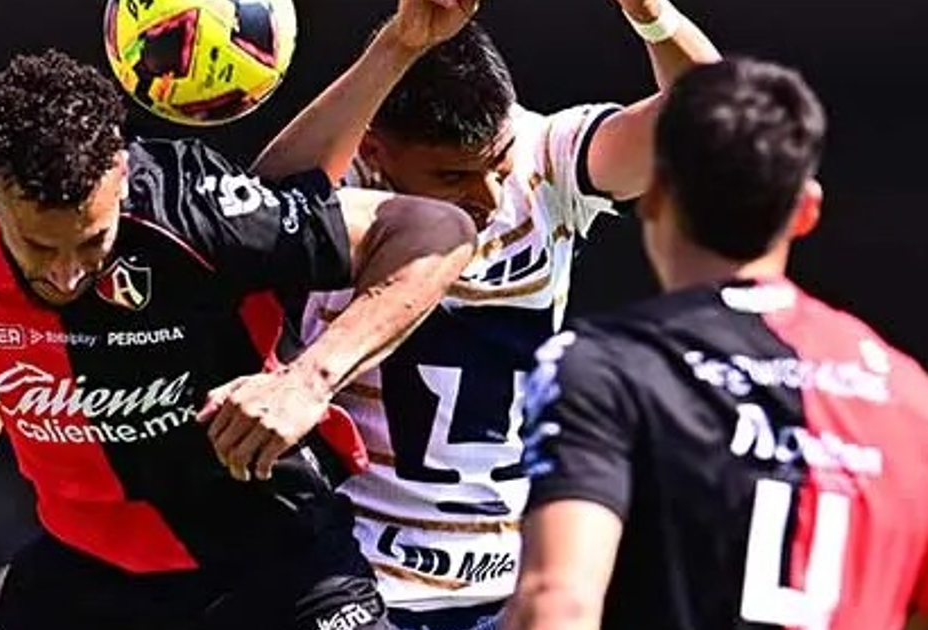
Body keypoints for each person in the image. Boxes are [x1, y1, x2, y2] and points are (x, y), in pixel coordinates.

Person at [0, 42, 477, 630]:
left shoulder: (190, 207)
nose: (68, 272)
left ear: (123, 177)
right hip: (89, 575)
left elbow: (436, 230)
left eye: (92, 241)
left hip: (273, 560)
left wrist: (310, 378)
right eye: (40, 246)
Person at [253, 0, 720, 627]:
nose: (488, 195)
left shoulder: (546, 159)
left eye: (497, 164)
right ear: (378, 151)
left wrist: (652, 13)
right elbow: (251, 215)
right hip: (356, 581)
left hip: (505, 586)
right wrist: (398, 45)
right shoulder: (340, 183)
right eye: (452, 178)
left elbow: (710, 124)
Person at [505, 56, 928, 630]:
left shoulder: (603, 365)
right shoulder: (909, 395)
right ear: (806, 211)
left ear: (653, 195)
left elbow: (559, 602)